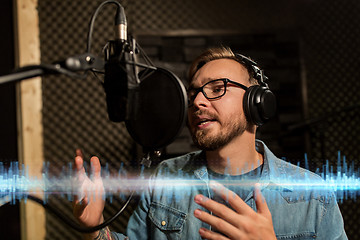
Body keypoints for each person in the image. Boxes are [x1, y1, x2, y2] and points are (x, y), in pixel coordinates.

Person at [72, 47, 347, 240]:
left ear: (257, 102)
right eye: (194, 94)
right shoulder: (165, 178)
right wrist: (95, 229)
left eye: (217, 89)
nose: (198, 102)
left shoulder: (312, 196)